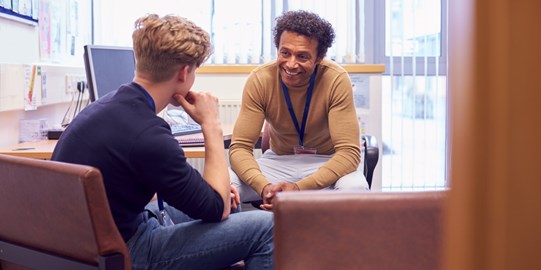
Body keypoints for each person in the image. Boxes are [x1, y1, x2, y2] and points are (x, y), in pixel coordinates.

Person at [52, 14, 273, 270]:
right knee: (266, 227)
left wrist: (217, 196)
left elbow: (206, 198)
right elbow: (216, 209)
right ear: (184, 73)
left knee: (230, 205)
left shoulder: (106, 106)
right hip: (124, 251)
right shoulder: (149, 135)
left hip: (82, 244)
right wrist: (211, 125)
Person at [229, 10, 369, 211]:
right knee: (224, 184)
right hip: (279, 163)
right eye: (285, 53)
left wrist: (299, 189)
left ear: (319, 57)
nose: (291, 64)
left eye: (302, 56)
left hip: (327, 162)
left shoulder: (336, 79)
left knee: (356, 190)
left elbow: (348, 153)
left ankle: (335, 243)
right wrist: (265, 188)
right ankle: (245, 239)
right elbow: (240, 148)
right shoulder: (260, 79)